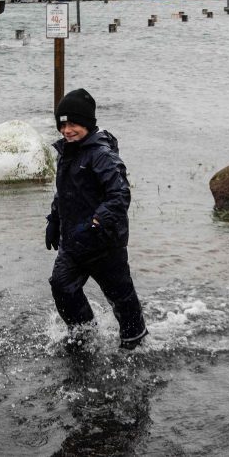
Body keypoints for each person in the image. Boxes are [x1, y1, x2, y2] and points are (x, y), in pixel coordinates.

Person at [45, 88, 148, 350]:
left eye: (74, 124)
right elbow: (64, 192)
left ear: (88, 125)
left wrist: (97, 222)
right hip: (73, 242)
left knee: (122, 299)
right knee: (61, 286)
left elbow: (119, 194)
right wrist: (54, 220)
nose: (67, 130)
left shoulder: (102, 155)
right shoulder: (67, 152)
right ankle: (84, 334)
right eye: (63, 124)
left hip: (104, 243)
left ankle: (135, 344)